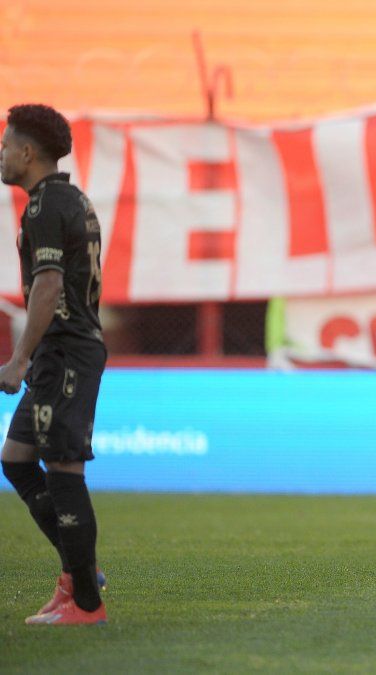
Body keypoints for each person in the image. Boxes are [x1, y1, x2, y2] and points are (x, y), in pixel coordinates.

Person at [1, 104, 109, 625]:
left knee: (63, 468)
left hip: (63, 351)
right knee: (16, 458)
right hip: (61, 350)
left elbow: (47, 285)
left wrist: (19, 359)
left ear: (27, 152)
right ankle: (78, 568)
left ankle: (86, 601)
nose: (1, 154)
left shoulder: (45, 206)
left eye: (5, 145)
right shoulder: (70, 198)